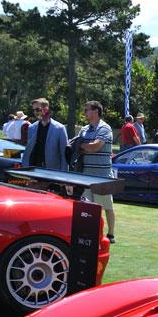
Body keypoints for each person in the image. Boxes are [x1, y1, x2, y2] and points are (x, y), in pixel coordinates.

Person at [75, 100, 116, 242]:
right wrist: (82, 145)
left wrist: (81, 145)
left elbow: (95, 147)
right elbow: (77, 145)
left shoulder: (105, 128)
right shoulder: (84, 129)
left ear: (96, 111)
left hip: (102, 176)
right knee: (87, 208)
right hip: (86, 175)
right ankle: (90, 234)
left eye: (87, 110)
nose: (85, 113)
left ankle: (110, 234)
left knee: (106, 207)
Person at [22, 97, 68, 171]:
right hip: (34, 170)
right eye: (34, 110)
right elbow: (29, 150)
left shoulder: (60, 128)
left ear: (46, 109)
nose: (35, 112)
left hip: (52, 173)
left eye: (37, 109)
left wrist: (64, 175)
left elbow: (64, 155)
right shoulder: (32, 128)